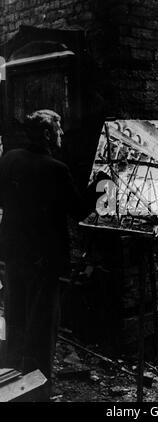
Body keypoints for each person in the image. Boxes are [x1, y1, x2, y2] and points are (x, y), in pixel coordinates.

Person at [0, 110, 101, 400]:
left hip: (13, 254)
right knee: (42, 328)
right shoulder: (56, 169)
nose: (61, 136)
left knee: (16, 319)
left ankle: (11, 388)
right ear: (47, 135)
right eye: (58, 131)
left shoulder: (9, 159)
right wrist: (99, 185)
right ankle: (39, 391)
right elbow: (80, 210)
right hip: (45, 259)